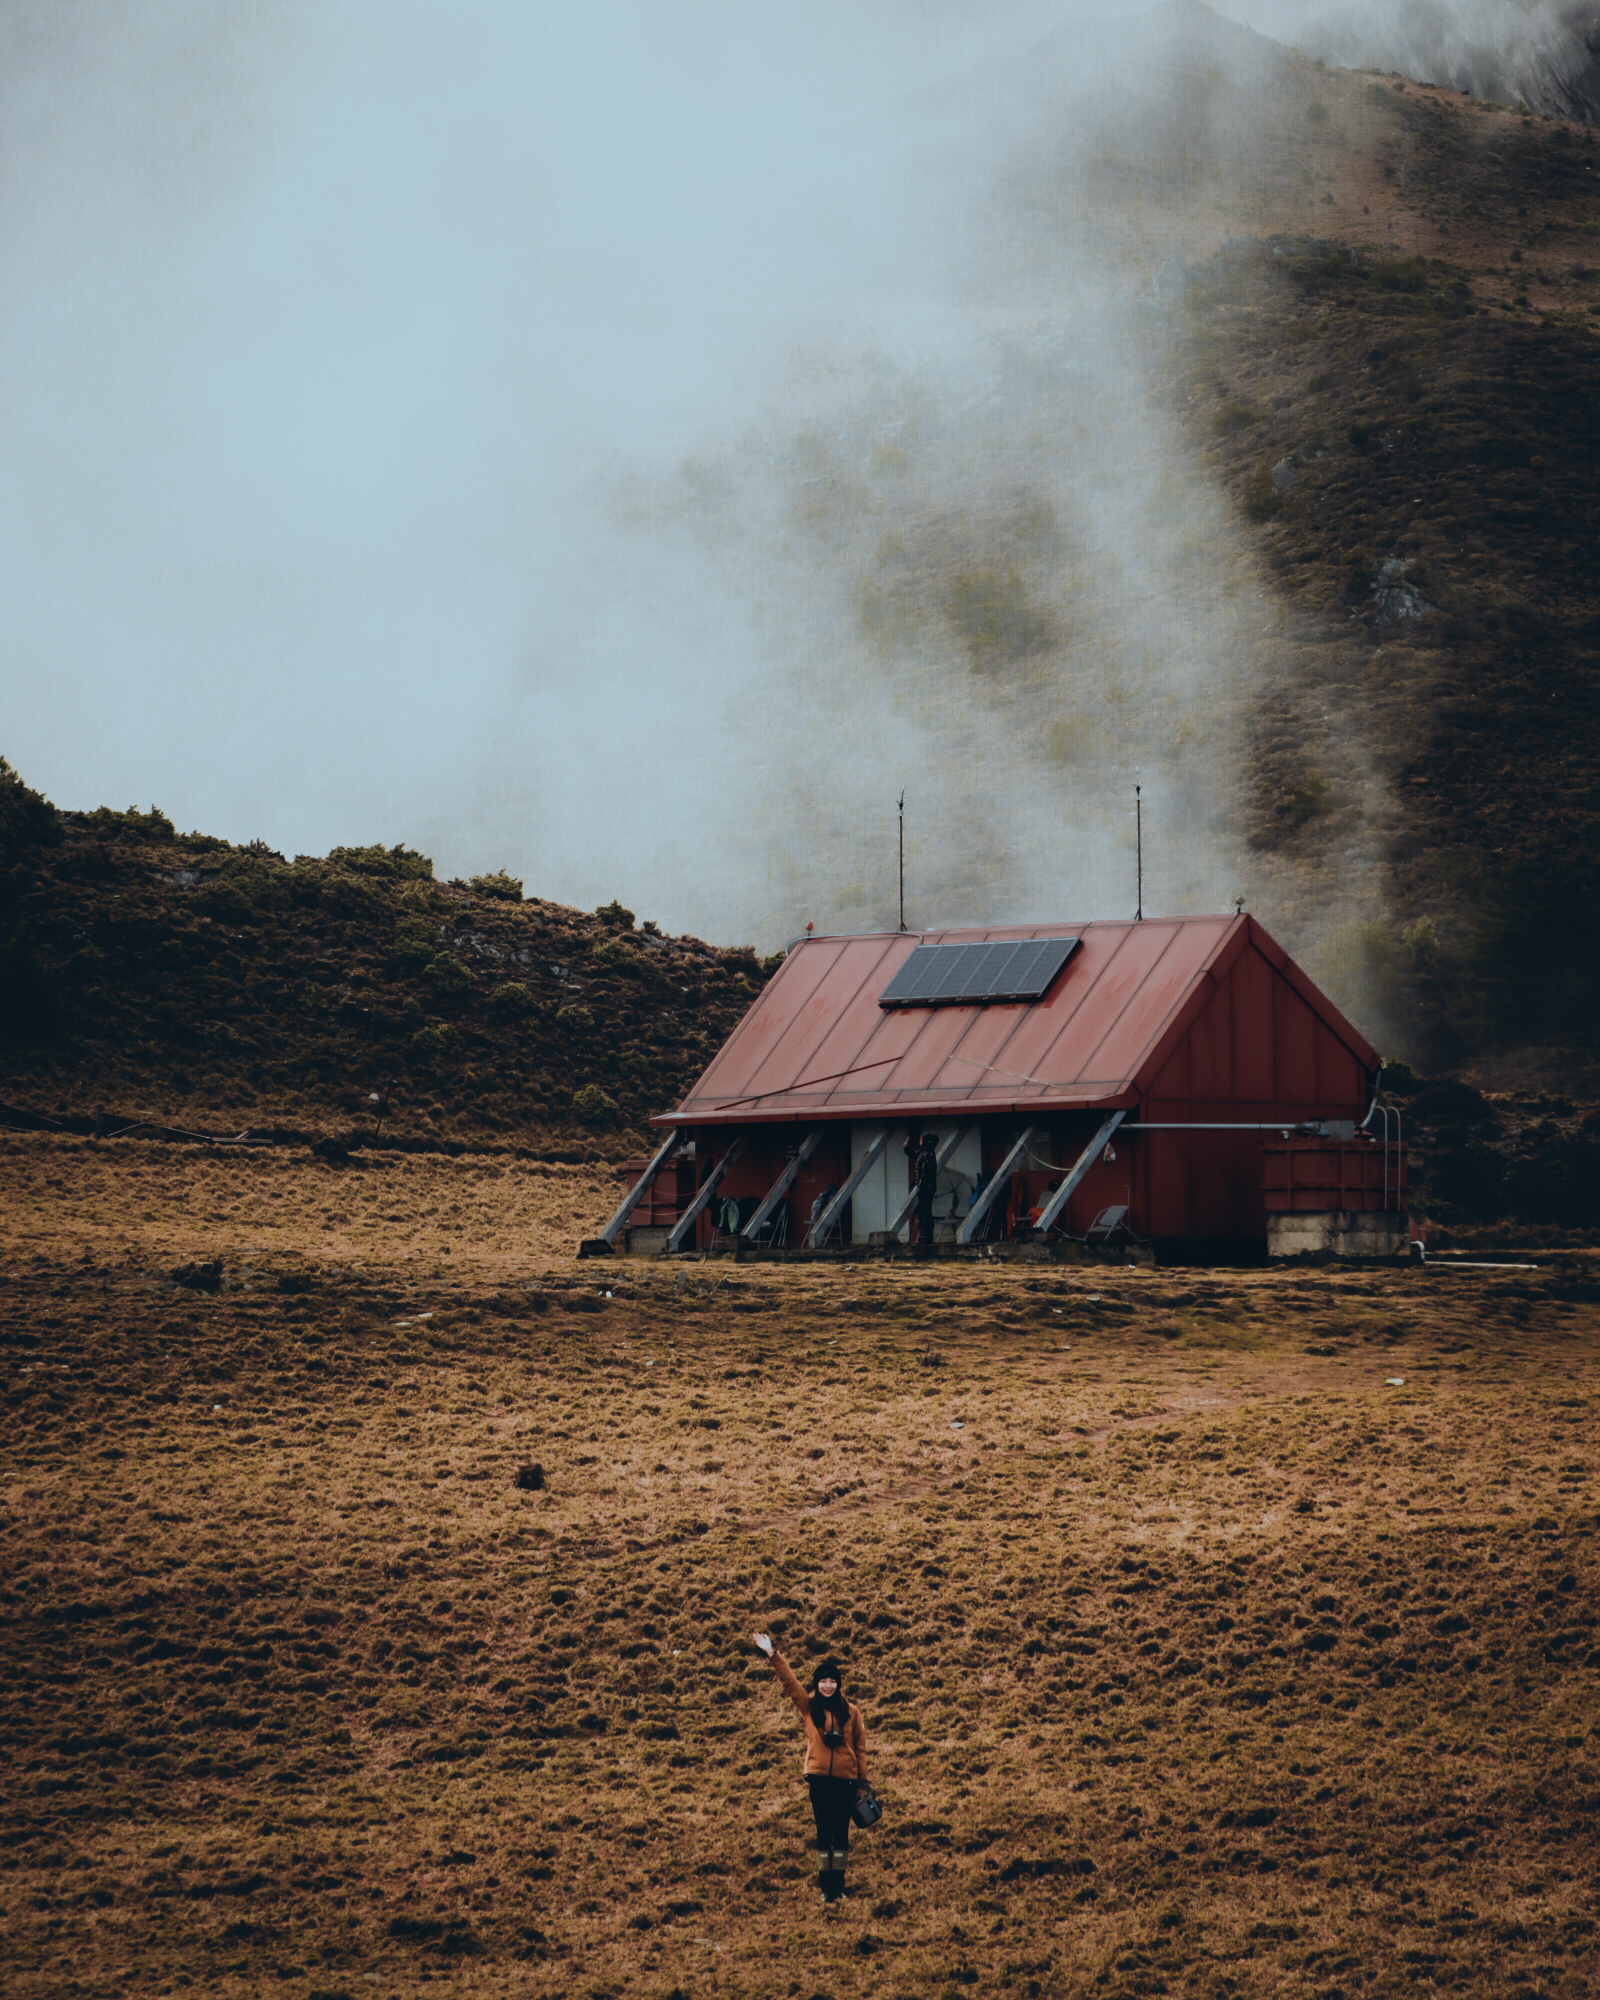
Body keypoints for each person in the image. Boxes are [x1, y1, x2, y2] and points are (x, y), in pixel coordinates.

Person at [752, 1633, 870, 1905]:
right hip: (819, 1781)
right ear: (817, 1684)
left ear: (838, 1684)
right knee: (823, 1834)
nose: (828, 1686)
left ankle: (839, 1886)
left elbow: (860, 1749)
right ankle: (826, 1888)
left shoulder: (852, 1712)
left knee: (841, 1836)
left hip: (846, 1782)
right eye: (823, 1681)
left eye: (832, 1681)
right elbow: (789, 1682)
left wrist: (862, 1783)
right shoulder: (808, 1707)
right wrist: (772, 1653)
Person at [904, 1129, 939, 1255]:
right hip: (924, 1187)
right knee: (923, 1212)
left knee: (925, 1212)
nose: (919, 1142)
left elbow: (925, 1173)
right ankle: (924, 1235)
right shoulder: (924, 1153)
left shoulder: (928, 1155)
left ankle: (926, 1236)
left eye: (921, 1140)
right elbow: (914, 1155)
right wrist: (906, 1148)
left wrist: (920, 1185)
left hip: (927, 1188)